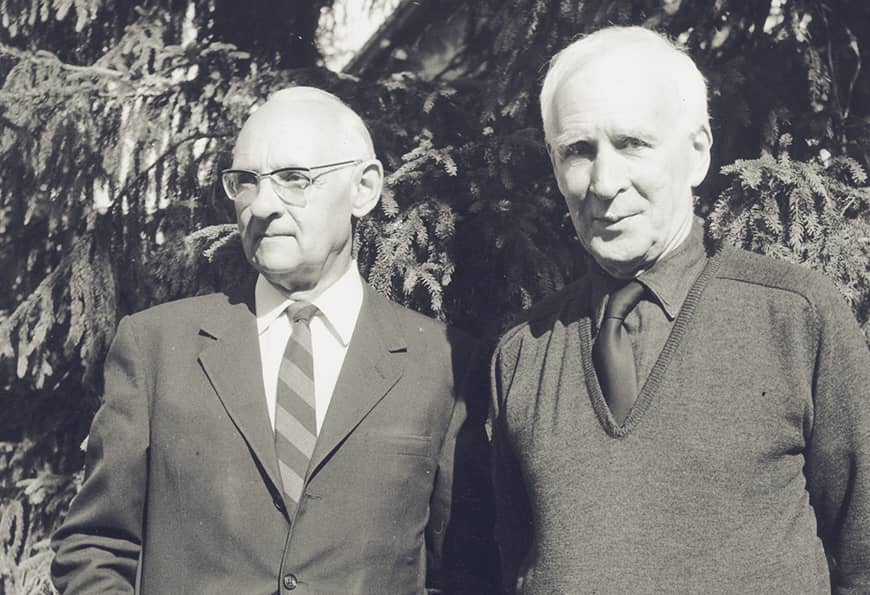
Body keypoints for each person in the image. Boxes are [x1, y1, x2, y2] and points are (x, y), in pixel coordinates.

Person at [51, 86, 499, 594]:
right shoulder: (157, 346)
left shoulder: (441, 362)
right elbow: (95, 547)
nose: (262, 205)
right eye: (245, 182)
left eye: (293, 179)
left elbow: (469, 570)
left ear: (365, 188)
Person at [490, 26, 870, 594]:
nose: (604, 182)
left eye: (632, 144)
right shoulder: (523, 353)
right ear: (554, 165)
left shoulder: (794, 316)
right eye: (578, 151)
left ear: (696, 154)